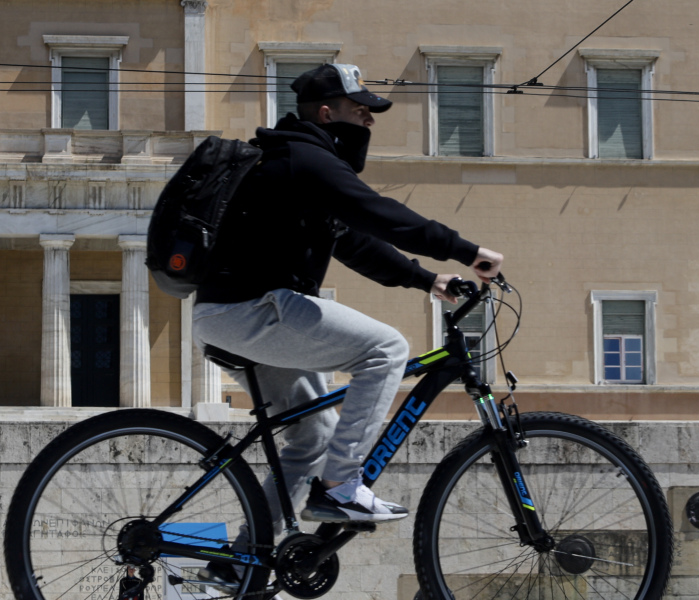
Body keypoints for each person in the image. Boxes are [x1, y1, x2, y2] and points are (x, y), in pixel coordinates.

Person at [192, 64, 504, 532]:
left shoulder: (292, 162)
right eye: (361, 112)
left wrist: (425, 279)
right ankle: (341, 487)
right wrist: (467, 250)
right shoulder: (304, 159)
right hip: (256, 309)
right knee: (387, 349)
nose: (370, 122)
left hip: (233, 316)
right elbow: (380, 214)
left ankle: (242, 564)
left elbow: (352, 239)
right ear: (326, 113)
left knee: (313, 431)